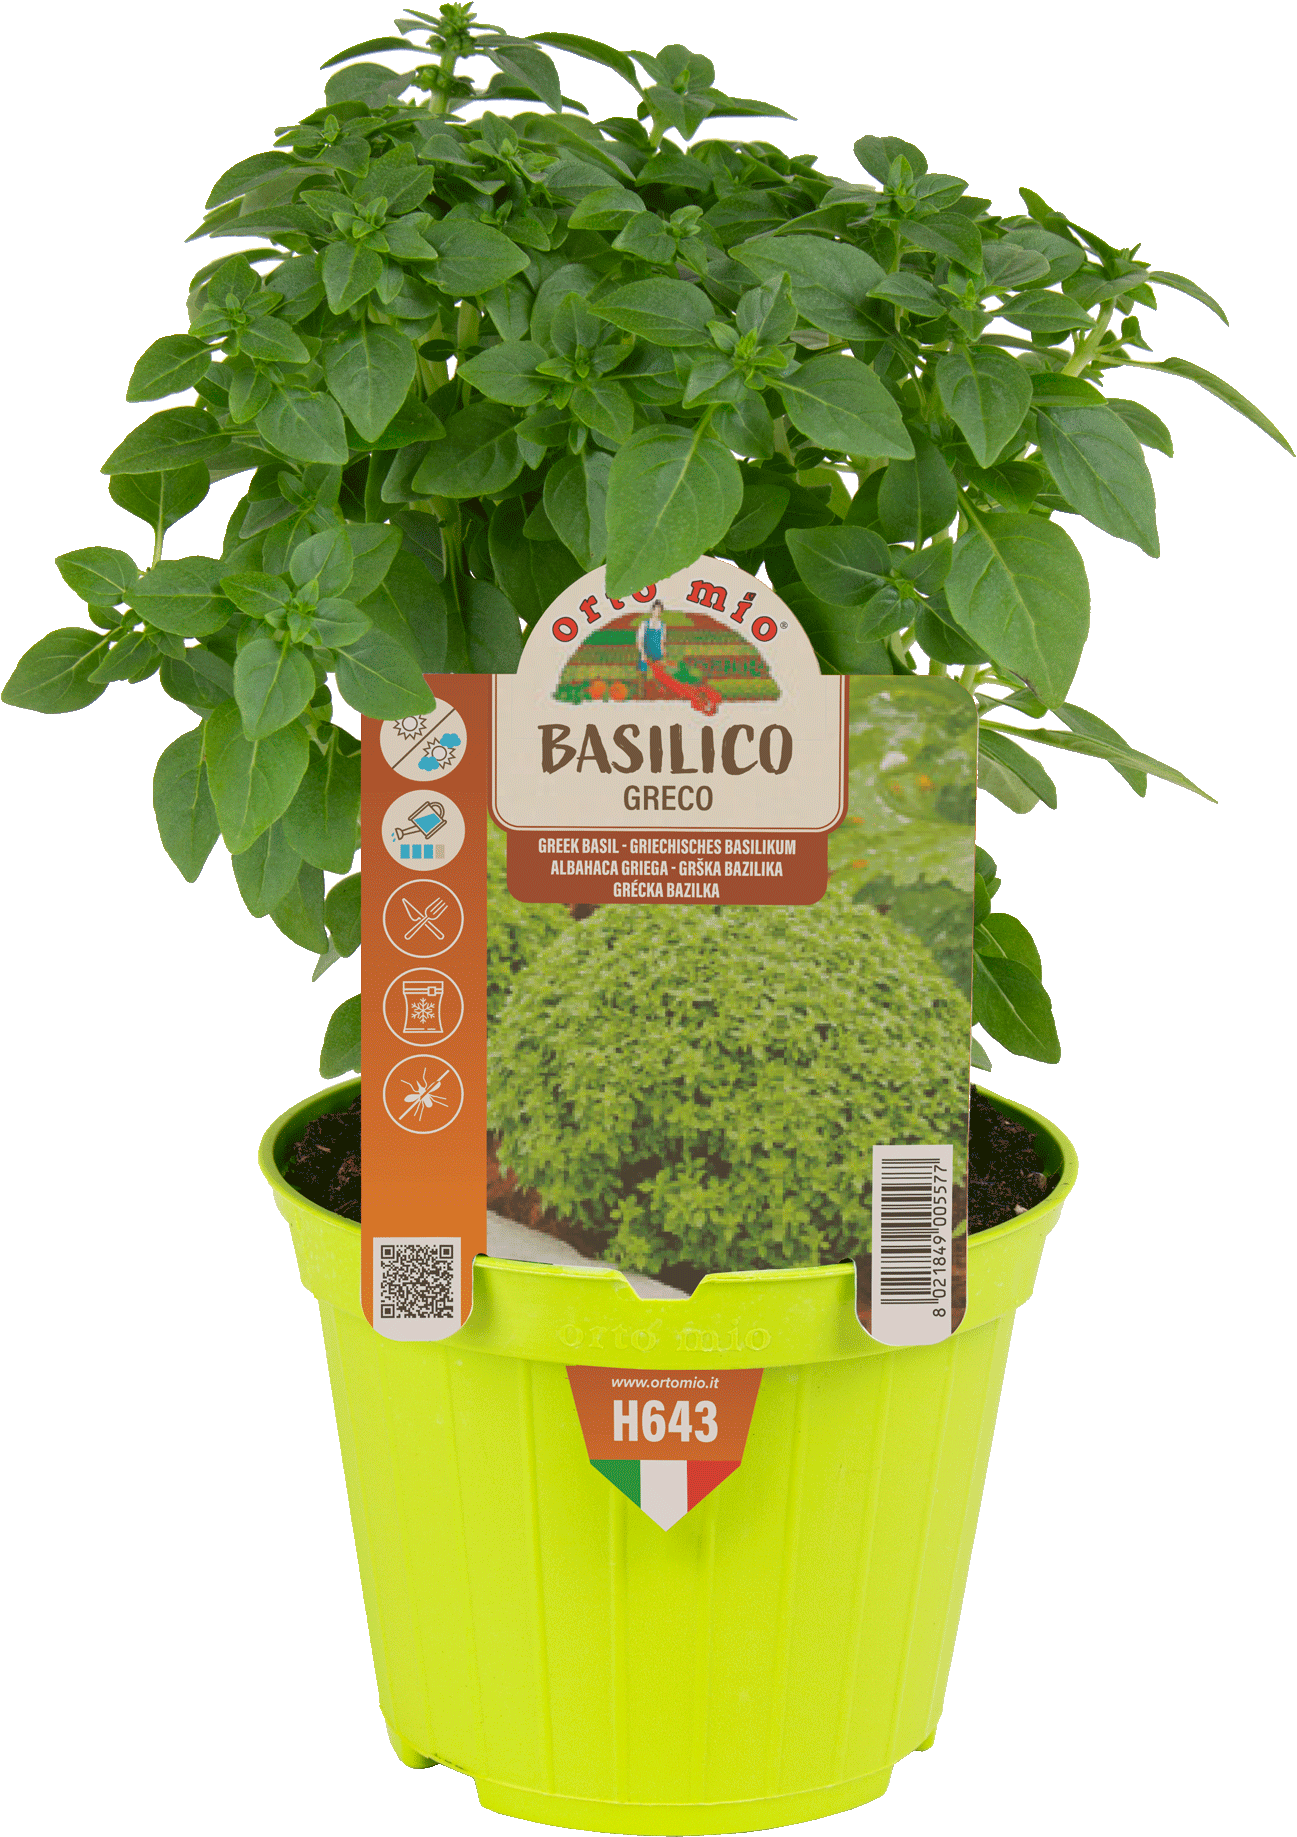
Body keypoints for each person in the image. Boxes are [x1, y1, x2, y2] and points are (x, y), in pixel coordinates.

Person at [635, 600, 667, 675]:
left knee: (658, 675)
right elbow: (640, 640)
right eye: (656, 610)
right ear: (652, 610)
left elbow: (662, 641)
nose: (657, 612)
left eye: (659, 611)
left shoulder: (662, 625)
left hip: (657, 655)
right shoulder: (645, 624)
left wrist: (663, 653)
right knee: (644, 674)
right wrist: (643, 653)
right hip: (646, 654)